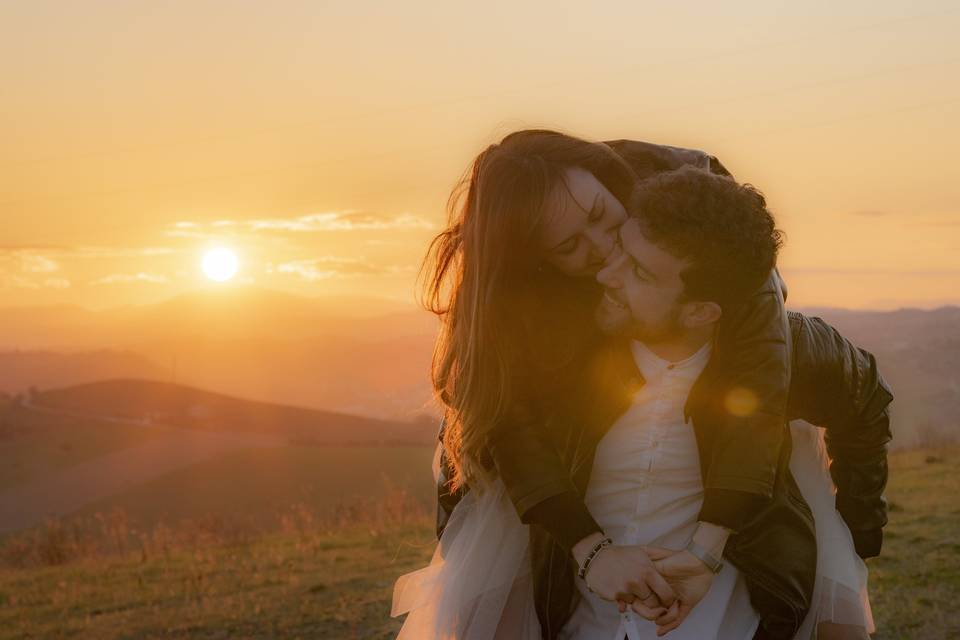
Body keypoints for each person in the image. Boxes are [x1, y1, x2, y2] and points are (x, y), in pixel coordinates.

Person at [391, 131, 891, 639]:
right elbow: (506, 424)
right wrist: (589, 551)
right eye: (569, 246)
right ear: (540, 261)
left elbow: (764, 387)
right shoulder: (529, 318)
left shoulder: (705, 220)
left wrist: (849, 531)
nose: (604, 247)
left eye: (598, 216)